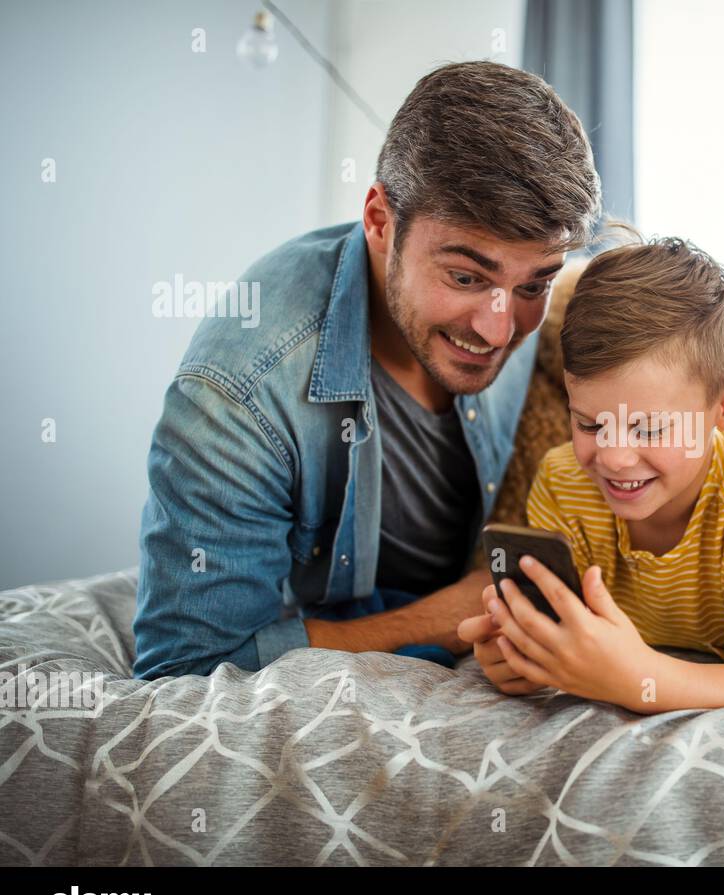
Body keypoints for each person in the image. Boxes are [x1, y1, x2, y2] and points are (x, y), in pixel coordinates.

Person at [132, 61, 602, 679]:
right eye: (466, 278)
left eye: (533, 284)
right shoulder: (239, 393)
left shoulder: (553, 324)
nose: (499, 329)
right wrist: (453, 613)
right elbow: (186, 669)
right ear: (381, 221)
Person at [458, 238, 724, 715]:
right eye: (589, 423)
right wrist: (522, 656)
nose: (615, 457)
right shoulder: (564, 481)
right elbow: (563, 636)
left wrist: (633, 678)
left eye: (649, 428)